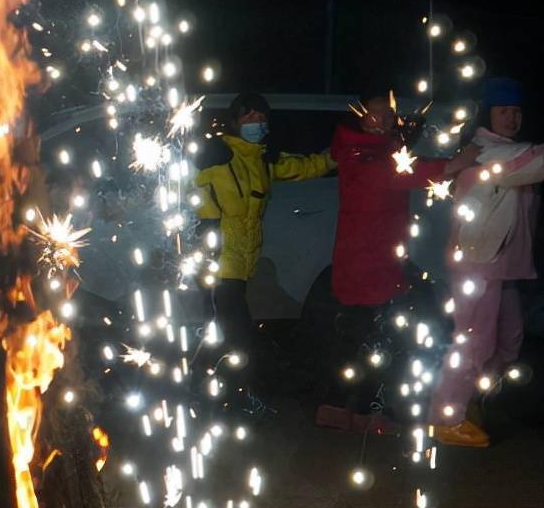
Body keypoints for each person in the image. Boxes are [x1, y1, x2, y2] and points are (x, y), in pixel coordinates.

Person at [316, 89, 478, 434]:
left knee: (365, 337)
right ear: (360, 116)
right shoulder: (360, 152)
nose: (386, 120)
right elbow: (396, 174)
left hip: (379, 261)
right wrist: (452, 165)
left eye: (390, 114)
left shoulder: (380, 148)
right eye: (377, 113)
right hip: (365, 263)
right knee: (372, 337)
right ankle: (359, 410)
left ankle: (345, 408)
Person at [195, 92, 334, 401]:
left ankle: (213, 393)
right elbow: (183, 180)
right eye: (248, 116)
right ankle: (237, 394)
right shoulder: (217, 153)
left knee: (221, 332)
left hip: (242, 263)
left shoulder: (261, 158)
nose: (256, 122)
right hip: (216, 261)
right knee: (237, 333)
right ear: (234, 121)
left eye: (261, 118)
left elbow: (303, 167)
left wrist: (335, 155)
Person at [431, 78, 543, 446]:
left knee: (509, 339)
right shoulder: (485, 150)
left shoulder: (507, 149)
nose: (512, 117)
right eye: (504, 110)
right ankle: (447, 416)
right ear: (488, 114)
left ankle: (471, 398)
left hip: (504, 264)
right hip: (478, 264)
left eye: (517, 111)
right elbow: (534, 163)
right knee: (475, 342)